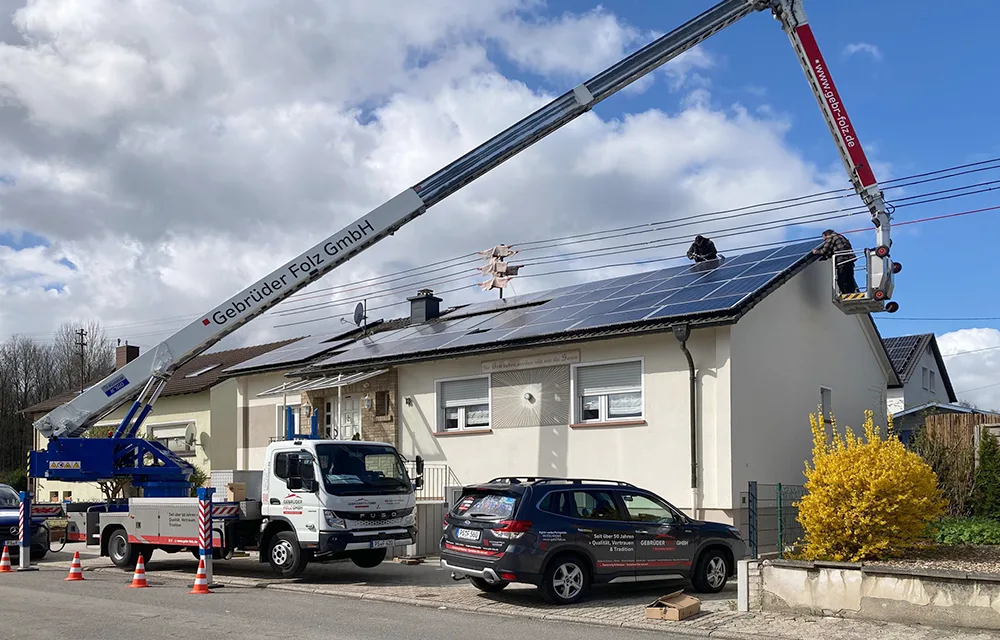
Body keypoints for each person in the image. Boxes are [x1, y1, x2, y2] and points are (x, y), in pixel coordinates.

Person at [812, 229, 859, 294]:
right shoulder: (842, 237)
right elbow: (838, 249)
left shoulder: (831, 237)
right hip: (850, 260)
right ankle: (851, 292)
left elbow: (824, 250)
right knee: (850, 278)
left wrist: (816, 252)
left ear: (826, 235)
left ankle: (845, 293)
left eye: (824, 238)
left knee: (841, 279)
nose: (824, 240)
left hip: (841, 261)